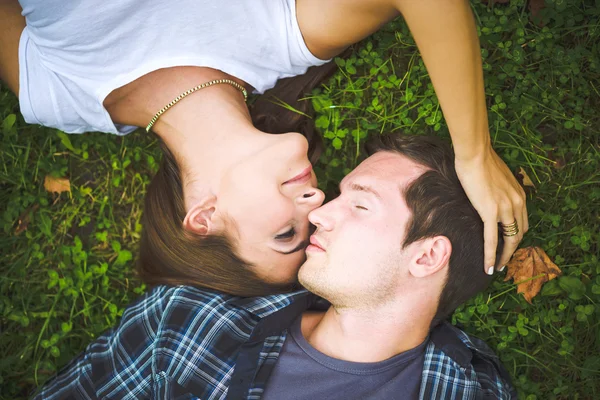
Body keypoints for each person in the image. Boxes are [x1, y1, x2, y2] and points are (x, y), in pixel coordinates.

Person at [0, 0, 527, 297]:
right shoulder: (287, 37)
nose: (318, 206)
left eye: (284, 233)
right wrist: (473, 155)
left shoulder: (56, 94)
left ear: (203, 217)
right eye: (313, 227)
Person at [32, 134, 516, 399]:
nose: (321, 212)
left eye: (361, 206)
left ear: (427, 256)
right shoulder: (190, 321)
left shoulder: (472, 390)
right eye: (340, 195)